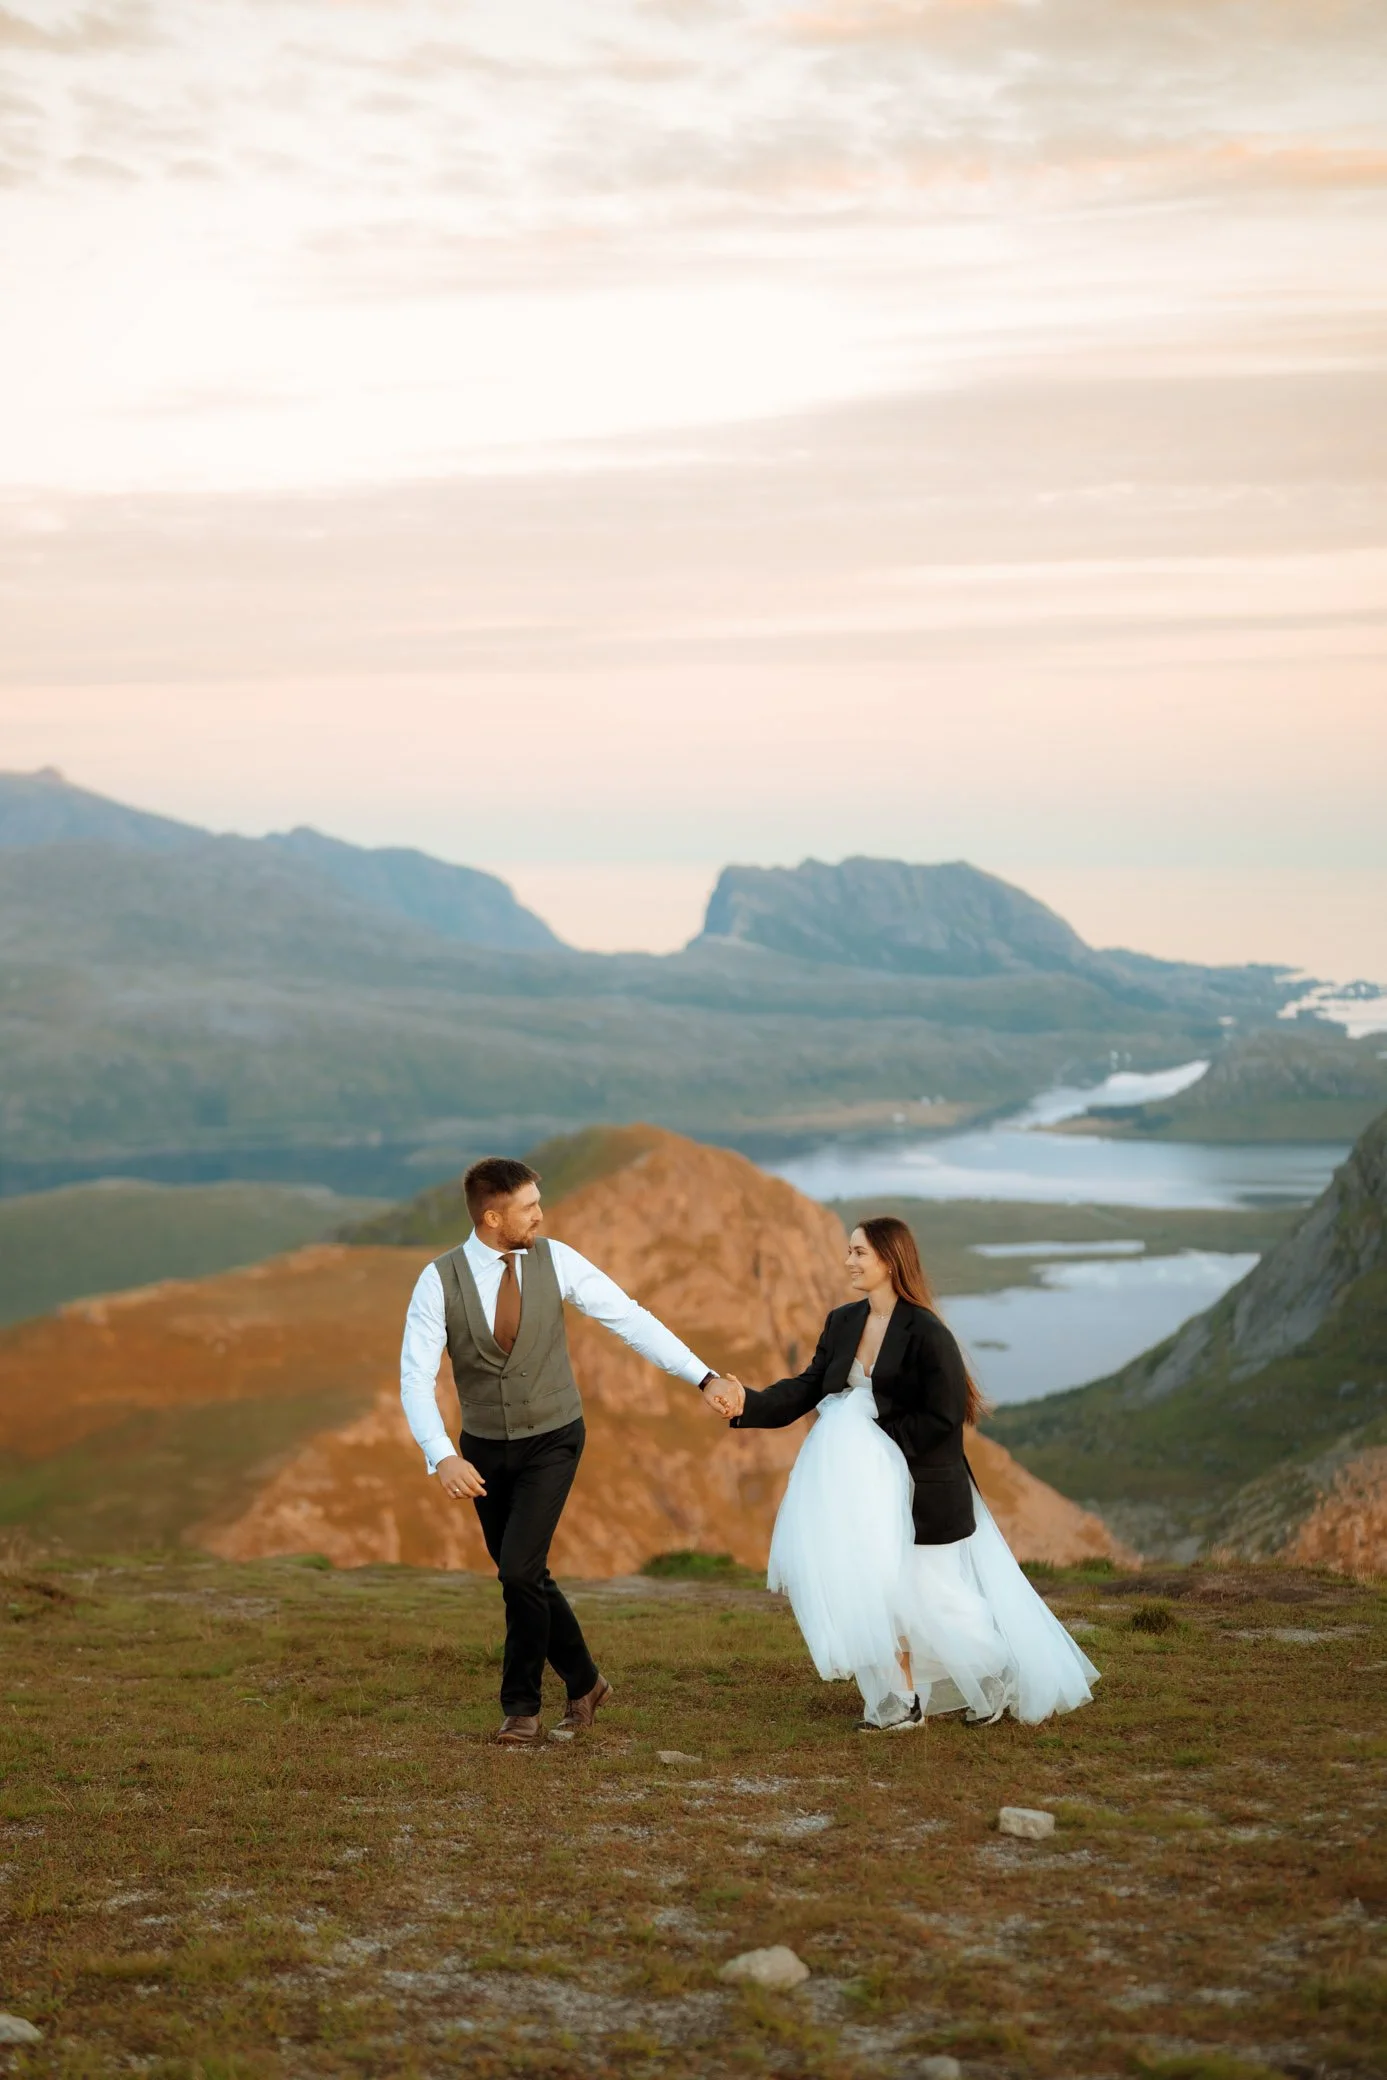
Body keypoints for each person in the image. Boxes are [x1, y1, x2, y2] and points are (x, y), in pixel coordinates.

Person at [400, 1156, 736, 1746]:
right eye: (529, 1207)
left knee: (517, 1570)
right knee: (525, 1574)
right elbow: (415, 1378)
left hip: (554, 1437)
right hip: (482, 1451)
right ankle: (584, 1681)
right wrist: (441, 1453)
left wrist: (703, 1377)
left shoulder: (559, 1260)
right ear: (492, 1215)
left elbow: (630, 1319)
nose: (540, 1215)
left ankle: (520, 1708)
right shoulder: (438, 1281)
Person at [716, 1216, 1098, 1730]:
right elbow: (807, 1387)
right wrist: (748, 1402)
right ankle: (900, 1702)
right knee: (883, 1596)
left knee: (938, 1601)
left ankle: (999, 1671)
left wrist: (877, 1440)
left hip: (925, 1490)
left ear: (890, 1261)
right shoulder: (842, 1322)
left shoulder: (928, 1333)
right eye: (849, 1251)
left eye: (859, 1253)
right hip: (864, 1493)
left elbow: (944, 1418)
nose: (849, 1261)